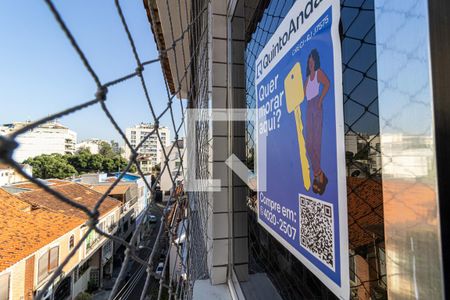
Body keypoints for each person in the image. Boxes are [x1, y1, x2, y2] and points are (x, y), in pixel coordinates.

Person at [304, 49, 330, 195]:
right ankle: (319, 174)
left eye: (312, 60)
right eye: (309, 60)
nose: (311, 62)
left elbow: (327, 84)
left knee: (316, 143)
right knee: (309, 144)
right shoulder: (307, 79)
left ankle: (318, 178)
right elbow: (301, 94)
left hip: (316, 105)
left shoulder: (318, 73)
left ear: (316, 61)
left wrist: (320, 100)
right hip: (309, 107)